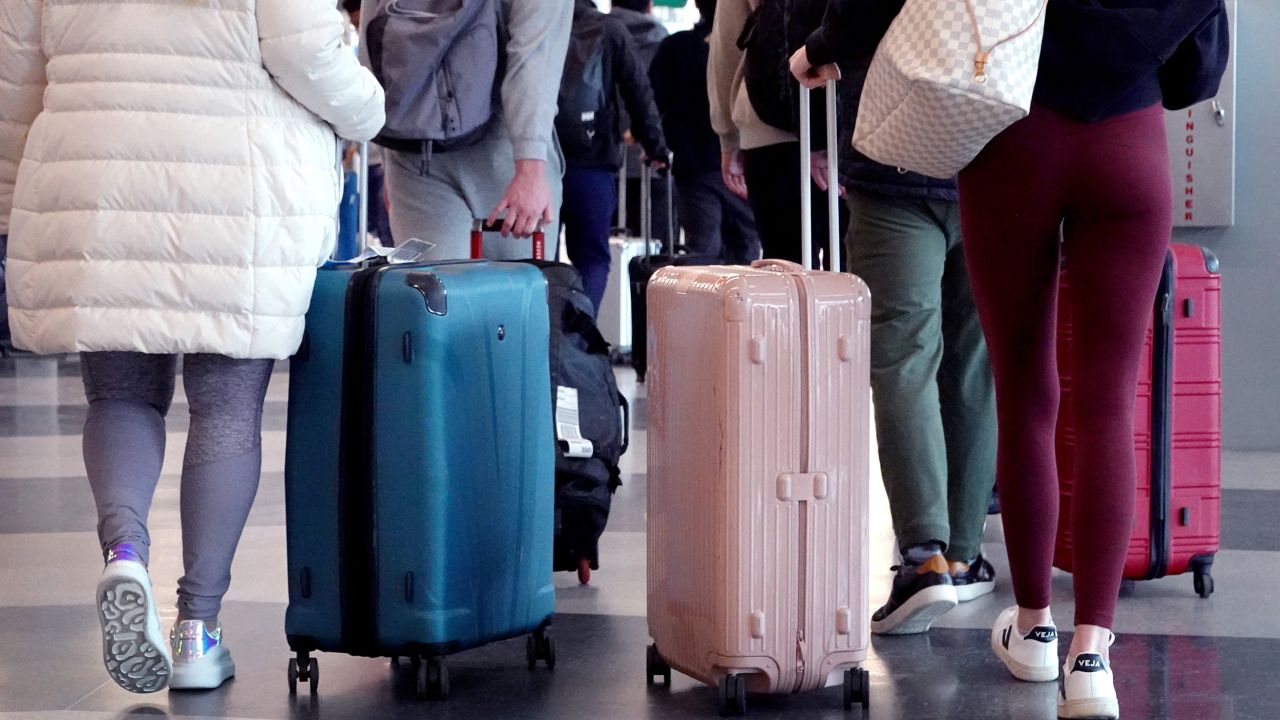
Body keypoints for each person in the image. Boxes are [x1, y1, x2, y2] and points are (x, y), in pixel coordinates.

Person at [0, 0, 384, 694]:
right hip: (235, 193)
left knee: (118, 395)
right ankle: (196, 633)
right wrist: (367, 112)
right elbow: (306, 51)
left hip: (98, 183)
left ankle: (125, 552)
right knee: (226, 412)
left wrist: (13, 204)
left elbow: (12, 80)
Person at [957, 3, 1228, 719]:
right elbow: (1197, 72)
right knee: (1108, 404)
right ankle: (1092, 655)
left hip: (1013, 139)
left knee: (1022, 394)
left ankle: (1035, 624)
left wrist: (822, 45)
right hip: (1128, 146)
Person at [790, 0, 997, 636]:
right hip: (992, 159)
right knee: (974, 359)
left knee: (905, 355)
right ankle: (963, 551)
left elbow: (860, 14)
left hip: (899, 165)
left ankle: (923, 557)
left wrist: (814, 50)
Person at [380, 1, 572, 259]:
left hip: (415, 152)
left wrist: (385, 153)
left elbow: (379, 34)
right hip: (506, 154)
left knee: (431, 293)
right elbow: (534, 54)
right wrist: (531, 168)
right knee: (514, 294)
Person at [557, 0, 670, 311]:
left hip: (540, 162)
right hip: (592, 164)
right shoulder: (609, 30)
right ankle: (578, 338)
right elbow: (639, 92)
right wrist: (655, 147)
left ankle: (545, 339)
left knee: (537, 260)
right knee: (591, 257)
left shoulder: (537, 25)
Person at [709, 0, 840, 266]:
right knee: (853, 269)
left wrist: (728, 137)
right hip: (843, 121)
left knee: (785, 268)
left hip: (767, 123)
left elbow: (727, 43)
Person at [650, 0, 761, 264]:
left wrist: (655, 145)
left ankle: (704, 305)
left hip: (695, 167)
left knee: (702, 251)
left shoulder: (676, 47)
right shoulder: (751, 43)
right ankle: (740, 305)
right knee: (746, 251)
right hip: (747, 162)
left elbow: (654, 103)